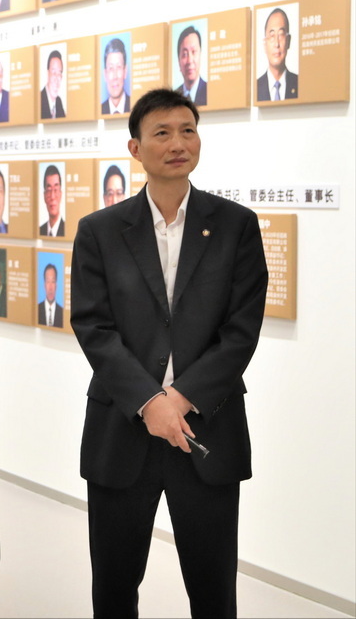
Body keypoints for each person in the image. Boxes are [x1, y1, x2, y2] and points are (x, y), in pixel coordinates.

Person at [71, 88, 268, 618]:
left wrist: (179, 398)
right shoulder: (100, 231)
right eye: (162, 133)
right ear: (135, 148)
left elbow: (241, 330)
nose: (178, 143)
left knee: (213, 590)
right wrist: (148, 401)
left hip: (208, 429)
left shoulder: (236, 225)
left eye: (188, 131)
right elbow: (93, 326)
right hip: (122, 429)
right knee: (114, 588)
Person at [257, 7, 298, 101]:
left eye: (281, 35)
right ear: (265, 44)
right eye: (272, 36)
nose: (276, 44)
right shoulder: (255, 88)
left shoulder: (300, 84)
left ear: (288, 41)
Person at [175, 26, 207, 106]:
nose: (189, 60)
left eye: (194, 52)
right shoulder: (173, 97)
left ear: (200, 55)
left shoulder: (209, 90)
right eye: (184, 54)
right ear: (178, 61)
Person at [101, 37, 131, 115]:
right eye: (111, 68)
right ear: (105, 74)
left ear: (125, 71)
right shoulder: (101, 110)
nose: (115, 76)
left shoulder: (134, 107)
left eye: (119, 67)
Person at [40, 164, 65, 237]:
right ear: (44, 195)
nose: (52, 196)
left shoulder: (68, 230)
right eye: (49, 190)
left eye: (56, 190)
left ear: (61, 194)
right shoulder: (40, 230)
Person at [41, 49, 67, 119]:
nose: (56, 78)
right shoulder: (39, 100)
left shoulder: (58, 102)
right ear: (47, 73)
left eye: (59, 73)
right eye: (54, 72)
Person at [37, 262, 64, 328]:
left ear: (56, 285)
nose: (50, 287)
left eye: (53, 281)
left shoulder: (62, 312)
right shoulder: (37, 310)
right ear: (44, 285)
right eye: (48, 281)